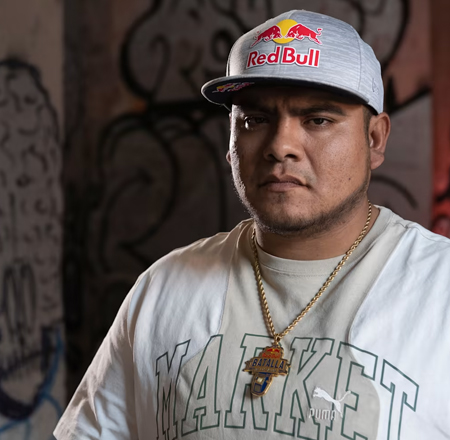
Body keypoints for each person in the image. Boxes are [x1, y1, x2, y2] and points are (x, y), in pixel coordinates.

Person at [54, 10, 450, 440]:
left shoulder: (438, 290)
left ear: (374, 139)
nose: (281, 146)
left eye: (317, 120)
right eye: (255, 120)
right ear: (230, 142)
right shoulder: (162, 291)